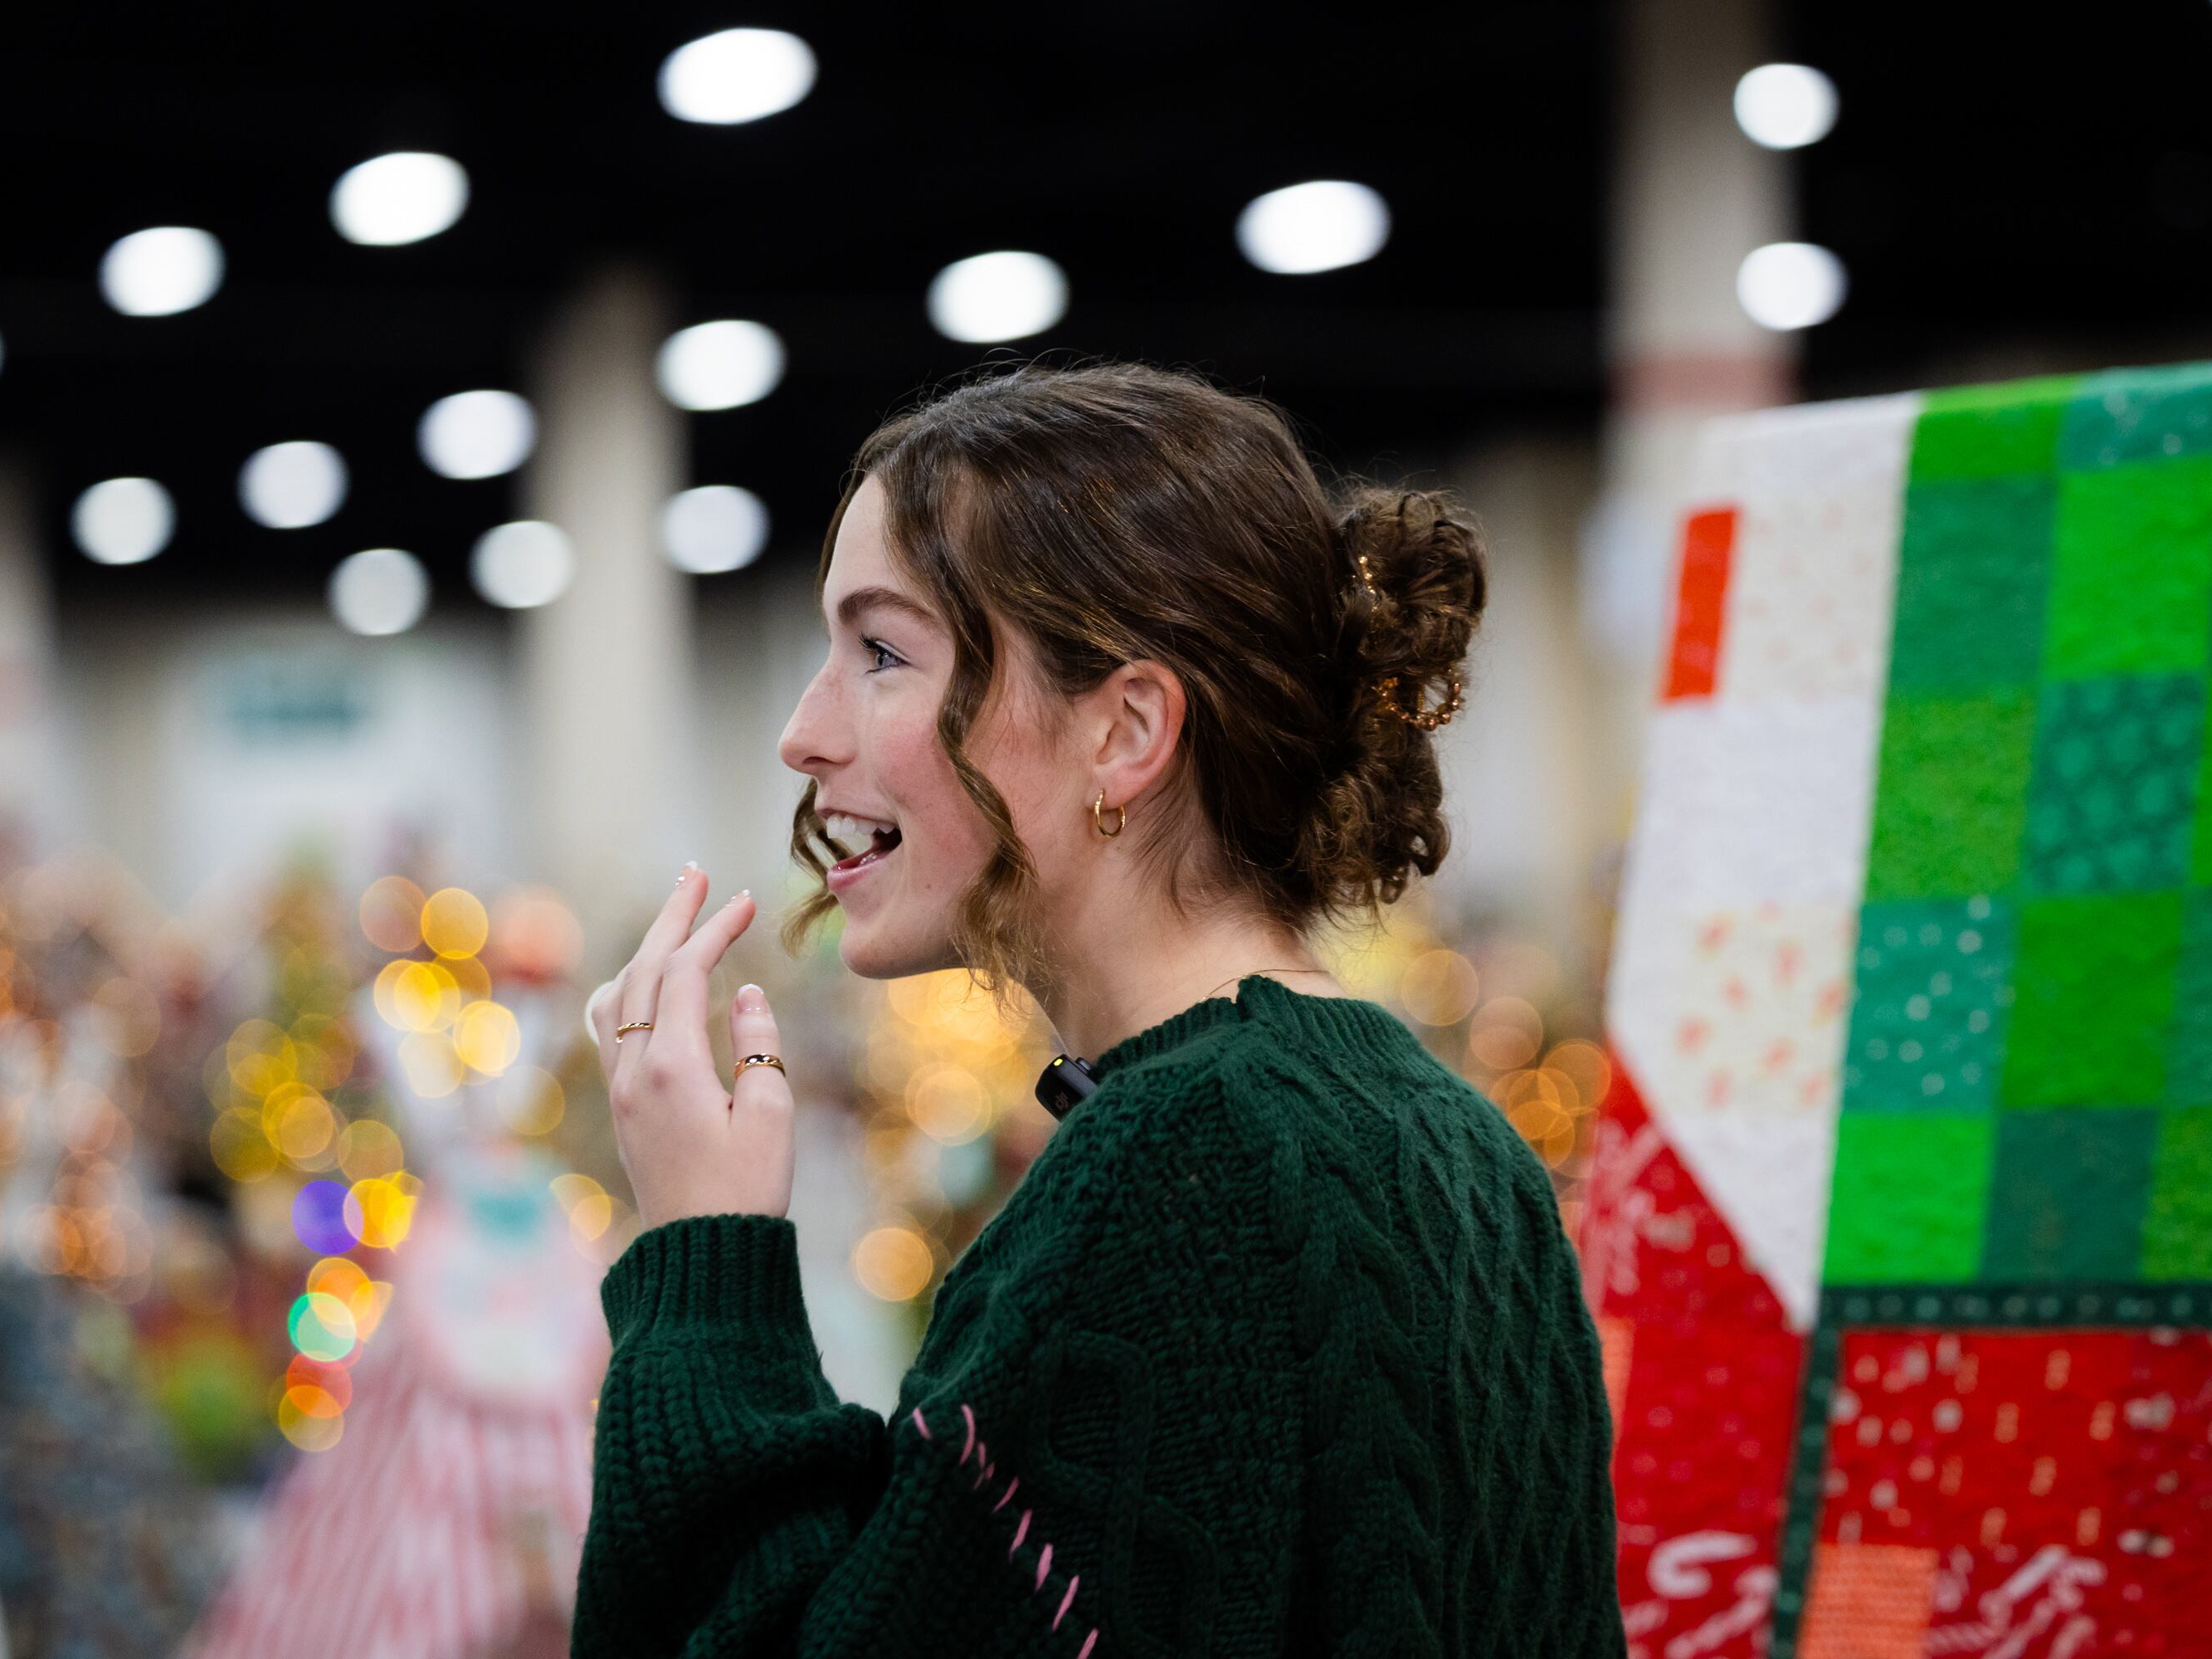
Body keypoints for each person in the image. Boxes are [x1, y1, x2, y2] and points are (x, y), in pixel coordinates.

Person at [571, 362, 1624, 1657]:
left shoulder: (1181, 1165)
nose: (801, 731)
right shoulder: (1467, 1150)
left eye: (882, 652)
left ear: (1125, 732)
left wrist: (706, 1261)